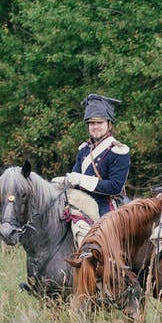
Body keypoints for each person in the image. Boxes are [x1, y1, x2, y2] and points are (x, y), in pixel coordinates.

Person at [63, 94, 130, 242]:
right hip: (81, 201)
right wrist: (65, 181)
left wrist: (81, 179)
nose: (95, 127)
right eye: (91, 123)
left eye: (99, 122)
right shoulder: (84, 150)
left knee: (106, 239)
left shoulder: (118, 151)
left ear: (109, 124)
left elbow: (115, 187)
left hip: (105, 203)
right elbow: (75, 175)